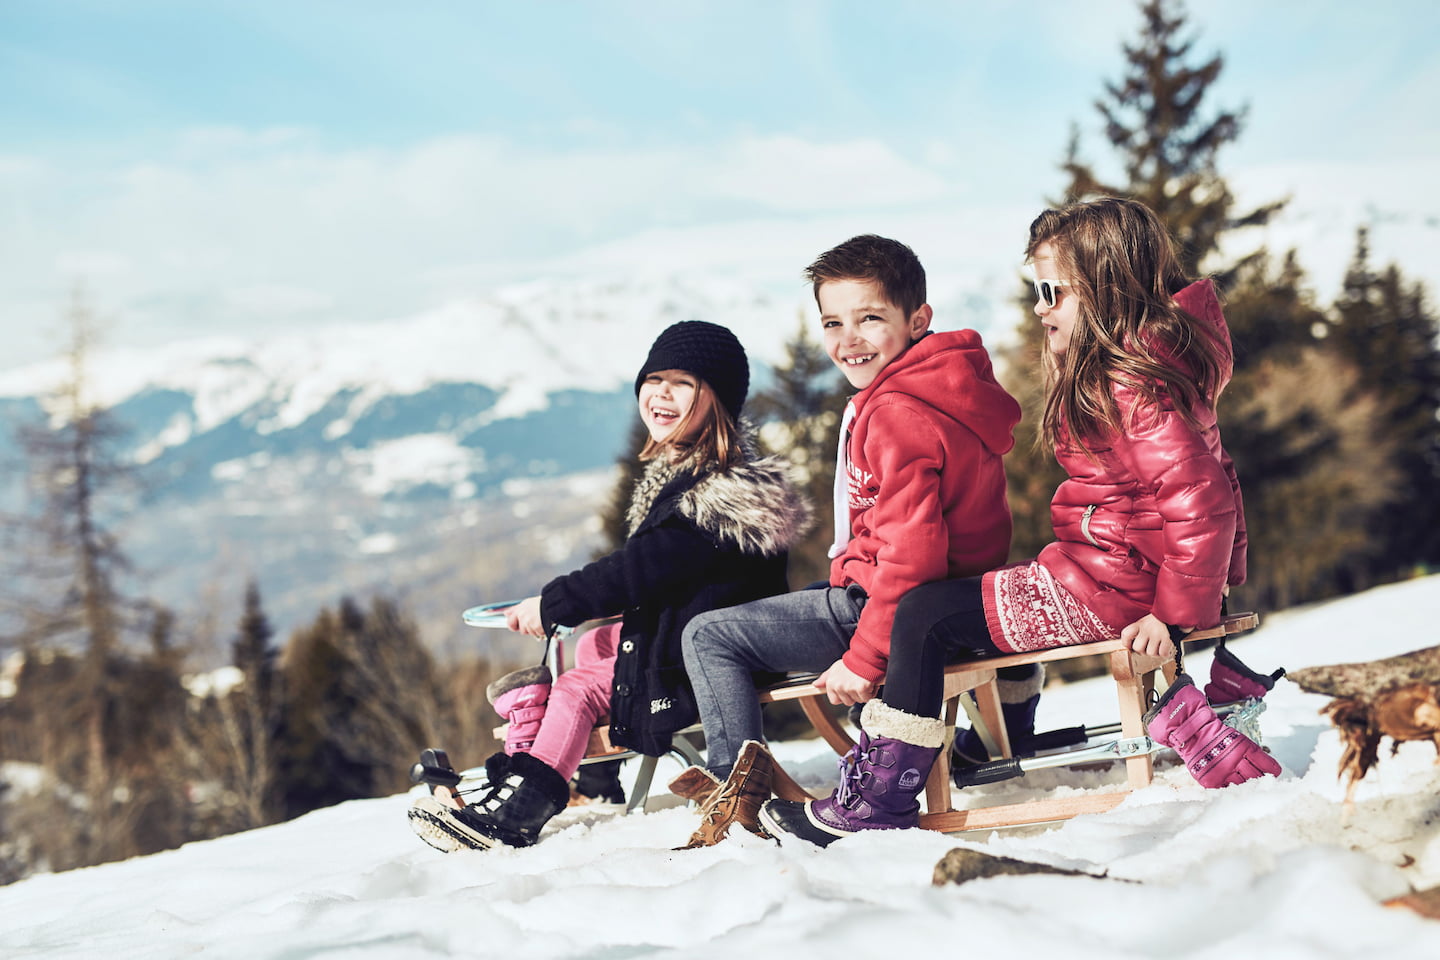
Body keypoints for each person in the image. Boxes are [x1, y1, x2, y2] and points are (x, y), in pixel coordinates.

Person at [762, 197, 1278, 847]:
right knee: (977, 593)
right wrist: (1210, 582)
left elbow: (1200, 497)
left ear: (1104, 291)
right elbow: (1214, 476)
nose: (1040, 308)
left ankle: (879, 799)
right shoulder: (1149, 366)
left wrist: (1174, 614)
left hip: (1118, 589)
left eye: (1052, 292)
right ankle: (1000, 737)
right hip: (1115, 575)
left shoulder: (1129, 382)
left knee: (923, 615)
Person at [408, 320, 811, 852]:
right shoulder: (698, 474)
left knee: (576, 689)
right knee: (596, 643)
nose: (661, 393)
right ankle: (591, 777)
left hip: (715, 660)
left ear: (717, 400)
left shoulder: (716, 497)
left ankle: (520, 811)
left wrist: (554, 604)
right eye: (654, 379)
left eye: (683, 383)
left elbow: (637, 571)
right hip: (698, 634)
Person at [675, 235, 1022, 848]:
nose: (848, 340)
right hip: (945, 595)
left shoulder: (897, 413)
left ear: (918, 320)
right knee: (797, 599)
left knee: (708, 636)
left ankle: (735, 793)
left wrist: (864, 658)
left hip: (898, 608)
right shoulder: (946, 389)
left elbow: (912, 560)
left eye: (870, 319)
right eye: (833, 323)